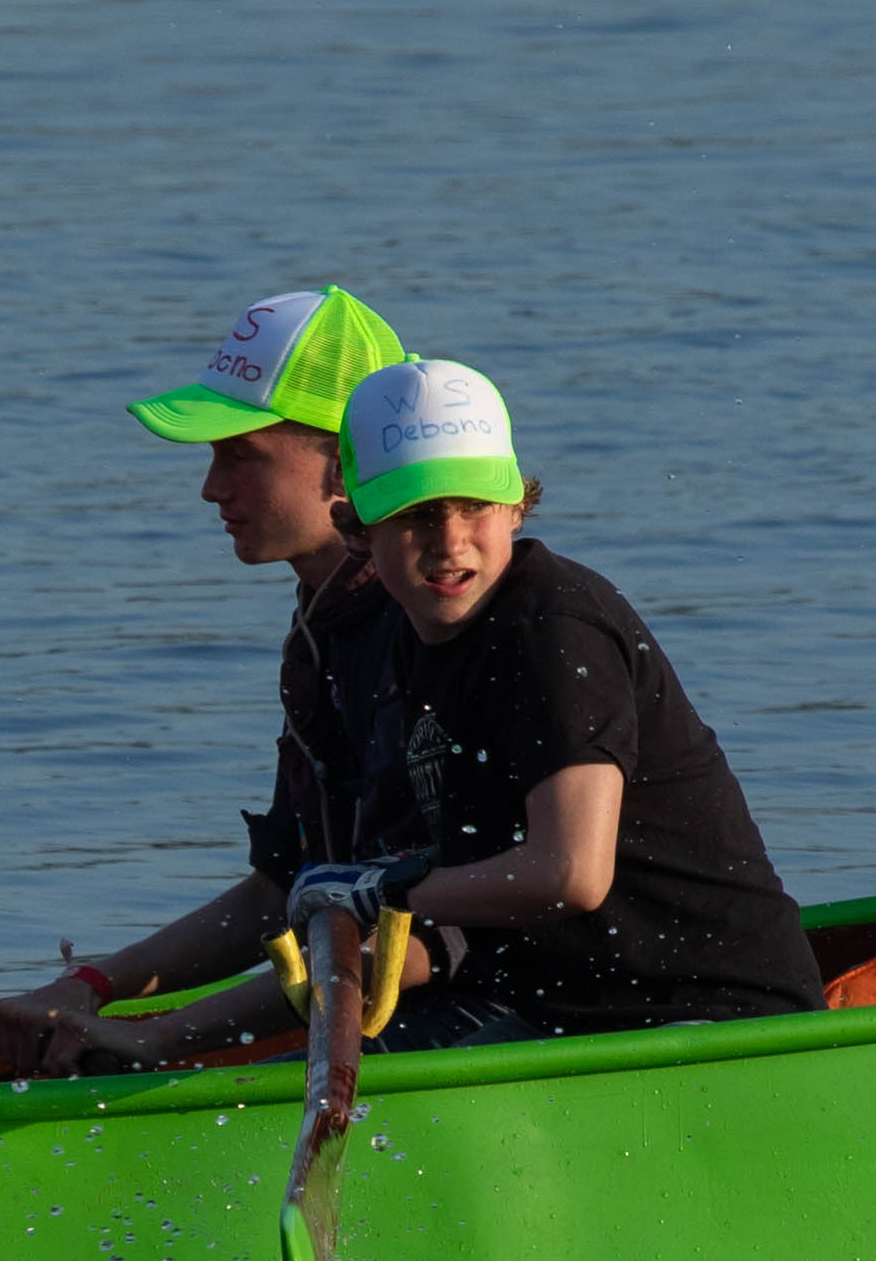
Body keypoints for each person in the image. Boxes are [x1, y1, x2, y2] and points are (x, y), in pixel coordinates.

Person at [292, 360, 820, 1049]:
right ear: (357, 529)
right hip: (562, 1015)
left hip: (717, 1017)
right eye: (418, 515)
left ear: (517, 506)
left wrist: (380, 891)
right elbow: (431, 897)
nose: (451, 542)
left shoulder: (555, 627)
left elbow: (570, 874)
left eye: (475, 506)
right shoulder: (404, 646)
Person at [0, 280, 417, 1075]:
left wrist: (159, 1038)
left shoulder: (419, 630)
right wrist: (94, 985)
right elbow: (283, 892)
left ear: (346, 464)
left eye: (240, 455)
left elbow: (413, 933)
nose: (211, 488)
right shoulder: (320, 624)